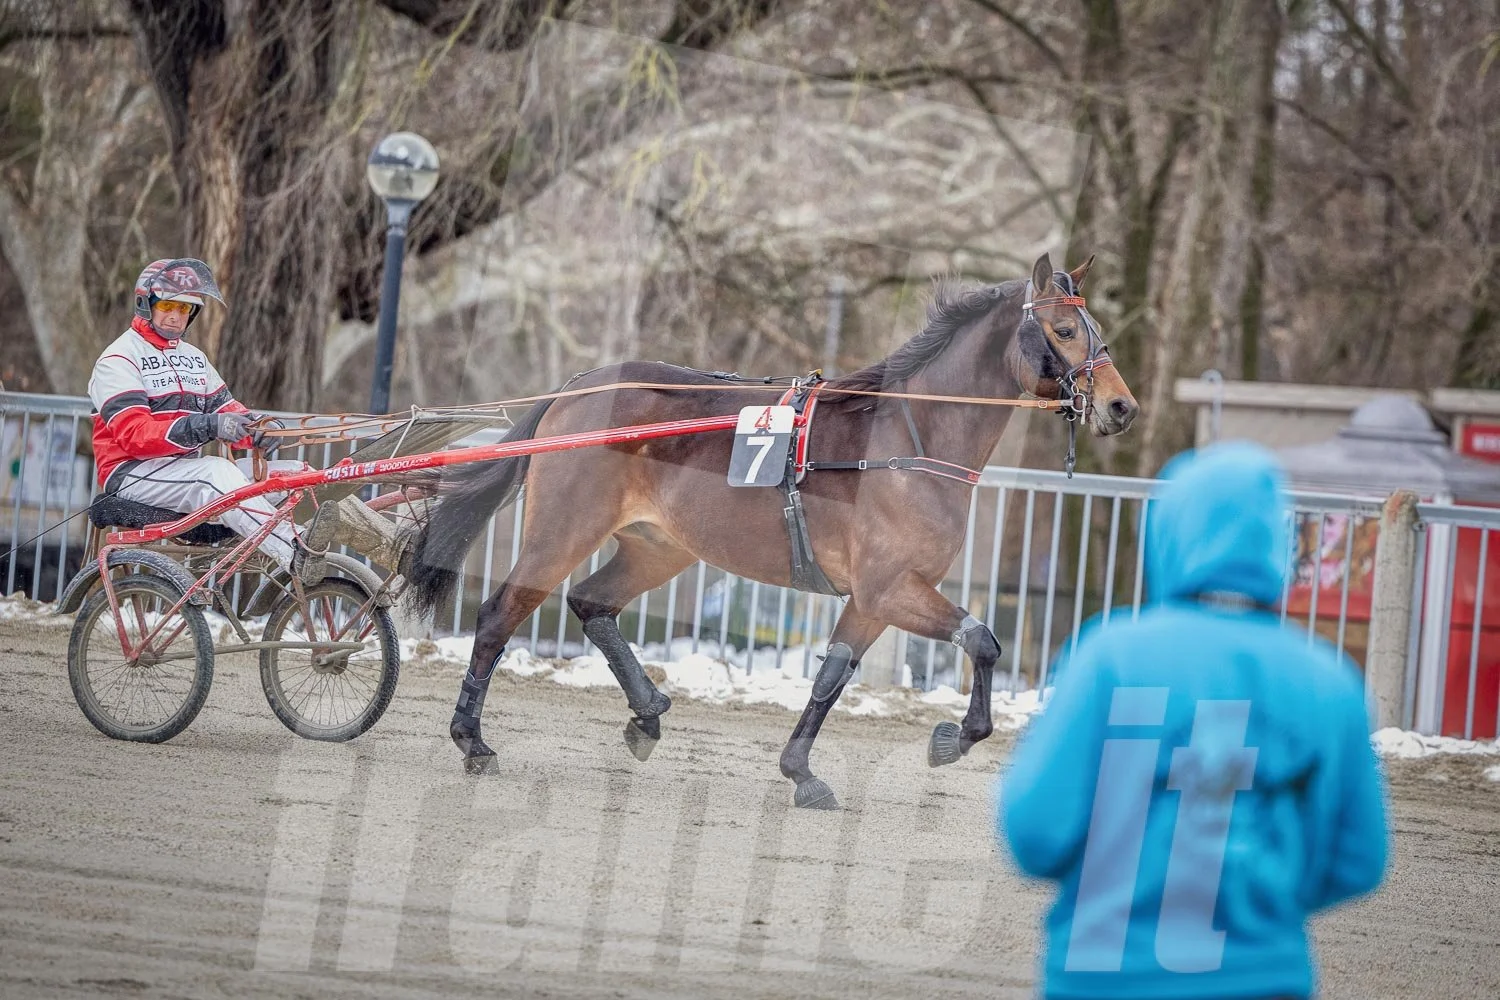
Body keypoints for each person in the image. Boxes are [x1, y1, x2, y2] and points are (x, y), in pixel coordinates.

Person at [996, 441, 1389, 1000]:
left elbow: (1033, 830)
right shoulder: (1329, 681)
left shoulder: (1111, 657)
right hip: (1264, 978)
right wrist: (1264, 898)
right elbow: (1360, 859)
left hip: (1105, 973)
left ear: (1169, 533)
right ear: (1277, 544)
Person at [88, 257, 405, 583]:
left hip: (184, 472)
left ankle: (397, 549)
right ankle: (295, 553)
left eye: (184, 309)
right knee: (216, 474)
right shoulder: (119, 359)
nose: (175, 316)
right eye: (168, 305)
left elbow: (228, 411)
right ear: (146, 304)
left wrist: (257, 431)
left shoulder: (194, 359)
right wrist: (207, 426)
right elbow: (134, 434)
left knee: (301, 477)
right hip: (132, 475)